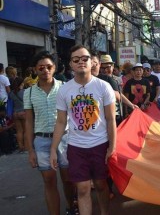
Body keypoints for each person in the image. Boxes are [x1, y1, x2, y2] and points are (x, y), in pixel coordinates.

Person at [50, 45, 117, 215]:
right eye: (76, 59)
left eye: (85, 58)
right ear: (71, 64)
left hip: (100, 145)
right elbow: (60, 121)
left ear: (91, 62)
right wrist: (53, 150)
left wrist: (112, 147)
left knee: (101, 185)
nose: (81, 62)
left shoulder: (103, 87)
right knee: (82, 188)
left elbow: (110, 119)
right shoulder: (64, 90)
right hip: (76, 146)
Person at [24, 51, 77, 215]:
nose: (45, 70)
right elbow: (28, 121)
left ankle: (71, 206)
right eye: (41, 67)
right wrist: (30, 150)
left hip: (65, 139)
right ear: (35, 69)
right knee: (49, 181)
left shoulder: (65, 87)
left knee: (68, 179)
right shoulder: (29, 92)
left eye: (49, 66)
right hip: (41, 141)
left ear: (54, 68)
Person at [8, 77, 26, 153]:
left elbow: (10, 105)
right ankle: (26, 147)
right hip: (24, 113)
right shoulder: (25, 92)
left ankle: (20, 147)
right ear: (22, 83)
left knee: (19, 131)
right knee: (26, 131)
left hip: (15, 113)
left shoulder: (11, 93)